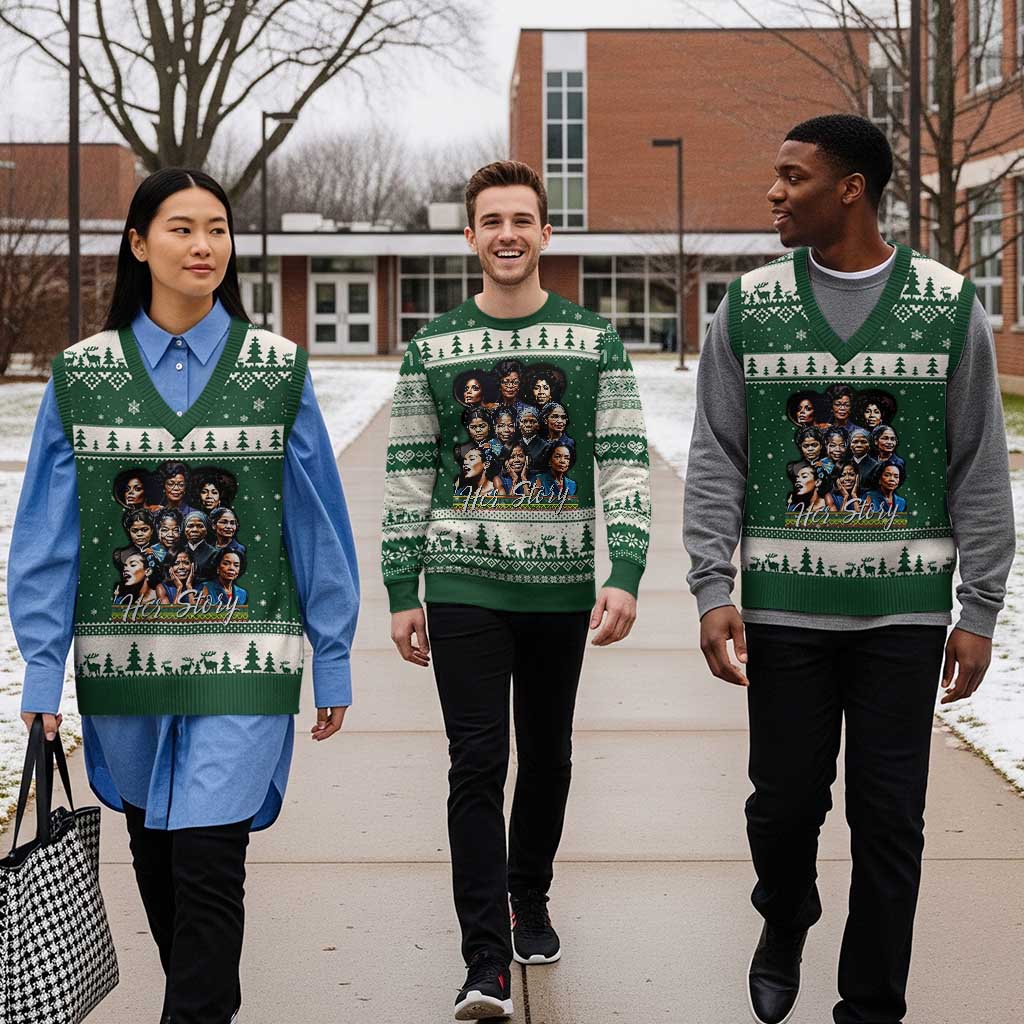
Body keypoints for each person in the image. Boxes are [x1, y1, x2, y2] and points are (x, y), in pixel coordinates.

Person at [683, 115, 1014, 1024]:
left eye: (793, 176)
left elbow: (977, 463)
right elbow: (718, 453)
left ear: (851, 188)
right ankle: (784, 914)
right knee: (782, 810)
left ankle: (871, 1005)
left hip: (904, 618)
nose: (774, 193)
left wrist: (979, 608)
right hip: (785, 612)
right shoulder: (748, 306)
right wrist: (714, 586)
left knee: (889, 824)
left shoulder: (947, 305)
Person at [12, 166, 359, 1024]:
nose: (204, 245)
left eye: (216, 228)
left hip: (243, 663)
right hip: (124, 668)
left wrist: (334, 654)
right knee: (159, 861)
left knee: (210, 863)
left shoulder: (276, 370)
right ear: (138, 244)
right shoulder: (82, 376)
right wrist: (40, 675)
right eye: (181, 228)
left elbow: (315, 522)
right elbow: (48, 538)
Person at [381, 160, 651, 1022]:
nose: (507, 234)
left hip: (561, 587)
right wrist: (401, 585)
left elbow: (623, 458)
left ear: (545, 232)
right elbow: (407, 473)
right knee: (476, 760)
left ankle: (527, 895)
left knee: (548, 752)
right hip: (463, 579)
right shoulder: (432, 348)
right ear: (469, 236)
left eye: (522, 220)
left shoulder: (593, 340)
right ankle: (484, 960)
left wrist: (627, 570)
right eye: (491, 220)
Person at [182, 509, 218, 580]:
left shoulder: (214, 554)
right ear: (184, 530)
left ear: (206, 530)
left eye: (200, 526)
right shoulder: (178, 551)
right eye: (190, 526)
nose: (195, 529)